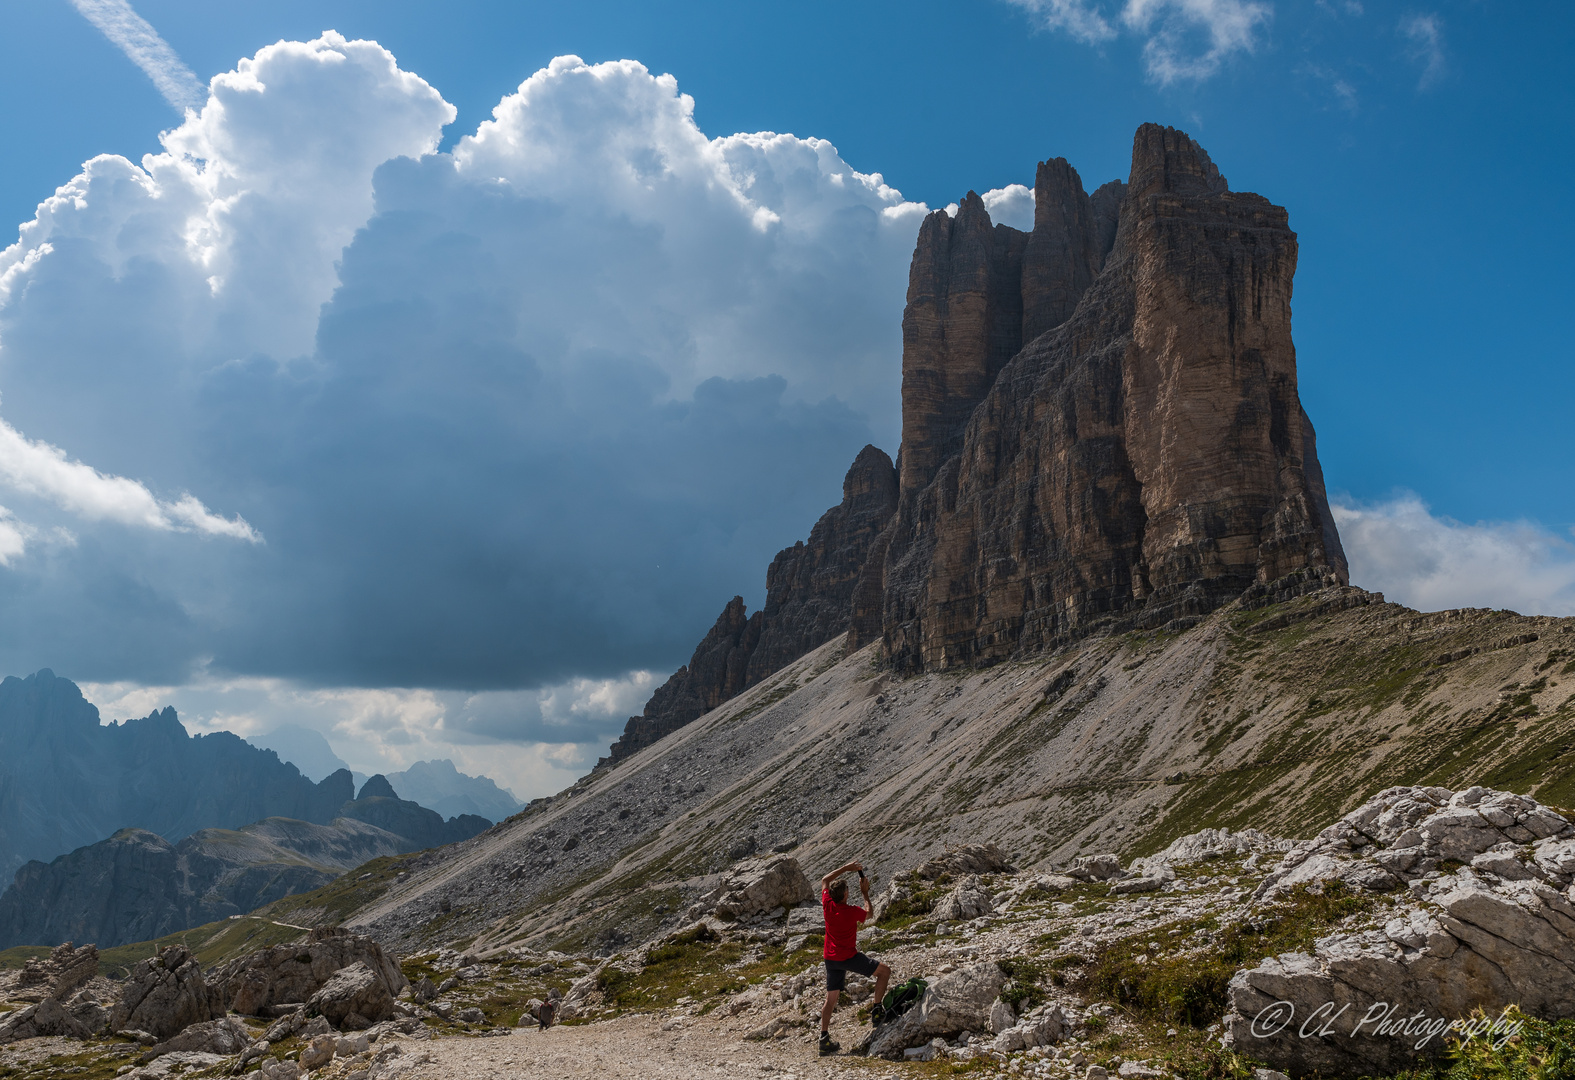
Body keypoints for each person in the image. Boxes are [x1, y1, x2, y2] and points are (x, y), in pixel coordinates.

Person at [817, 860, 891, 1056]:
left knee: (831, 999)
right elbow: (870, 914)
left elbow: (825, 880)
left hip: (830, 959)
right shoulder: (851, 912)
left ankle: (824, 1039)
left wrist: (846, 868)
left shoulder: (828, 905)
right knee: (884, 972)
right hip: (849, 956)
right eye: (849, 890)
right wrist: (865, 892)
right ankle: (876, 1010)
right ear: (846, 895)